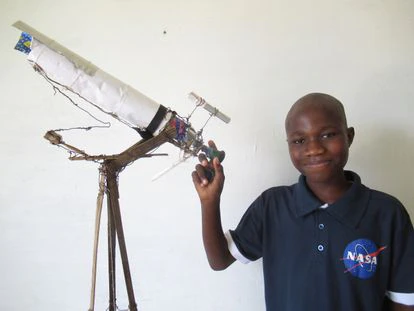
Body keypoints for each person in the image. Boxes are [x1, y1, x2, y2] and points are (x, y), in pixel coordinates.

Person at [191, 93, 414, 311]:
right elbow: (219, 260)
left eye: (327, 135)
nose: (314, 148)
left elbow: (404, 301)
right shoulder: (272, 206)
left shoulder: (387, 213)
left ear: (349, 136)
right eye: (299, 140)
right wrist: (210, 202)